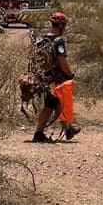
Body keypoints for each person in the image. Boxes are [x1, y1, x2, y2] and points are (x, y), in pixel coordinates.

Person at [30, 12, 80, 143]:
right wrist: (69, 75)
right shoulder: (59, 41)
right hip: (56, 79)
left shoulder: (42, 40)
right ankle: (65, 128)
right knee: (57, 103)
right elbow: (62, 61)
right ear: (61, 25)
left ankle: (43, 132)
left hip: (45, 77)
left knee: (51, 104)